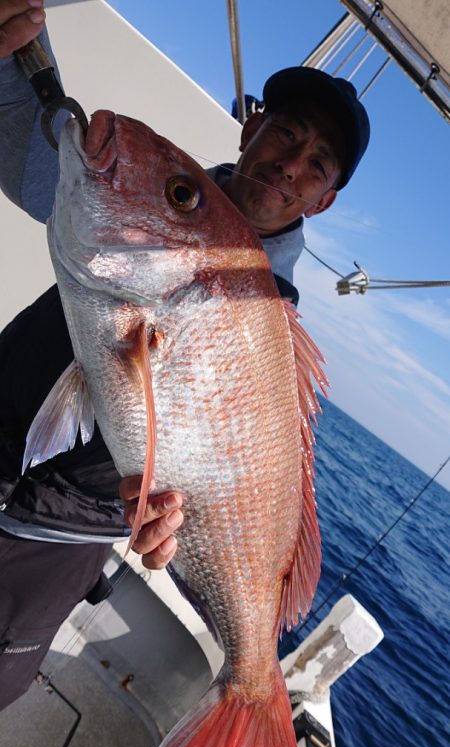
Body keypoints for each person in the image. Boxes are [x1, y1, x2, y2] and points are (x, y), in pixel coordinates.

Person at [0, 1, 370, 708]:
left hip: (48, 542)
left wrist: (169, 525)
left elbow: (200, 490)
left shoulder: (268, 328)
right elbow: (26, 133)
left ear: (322, 201)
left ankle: (248, 684)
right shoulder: (135, 204)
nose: (292, 164)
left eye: (318, 162)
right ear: (252, 125)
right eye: (286, 133)